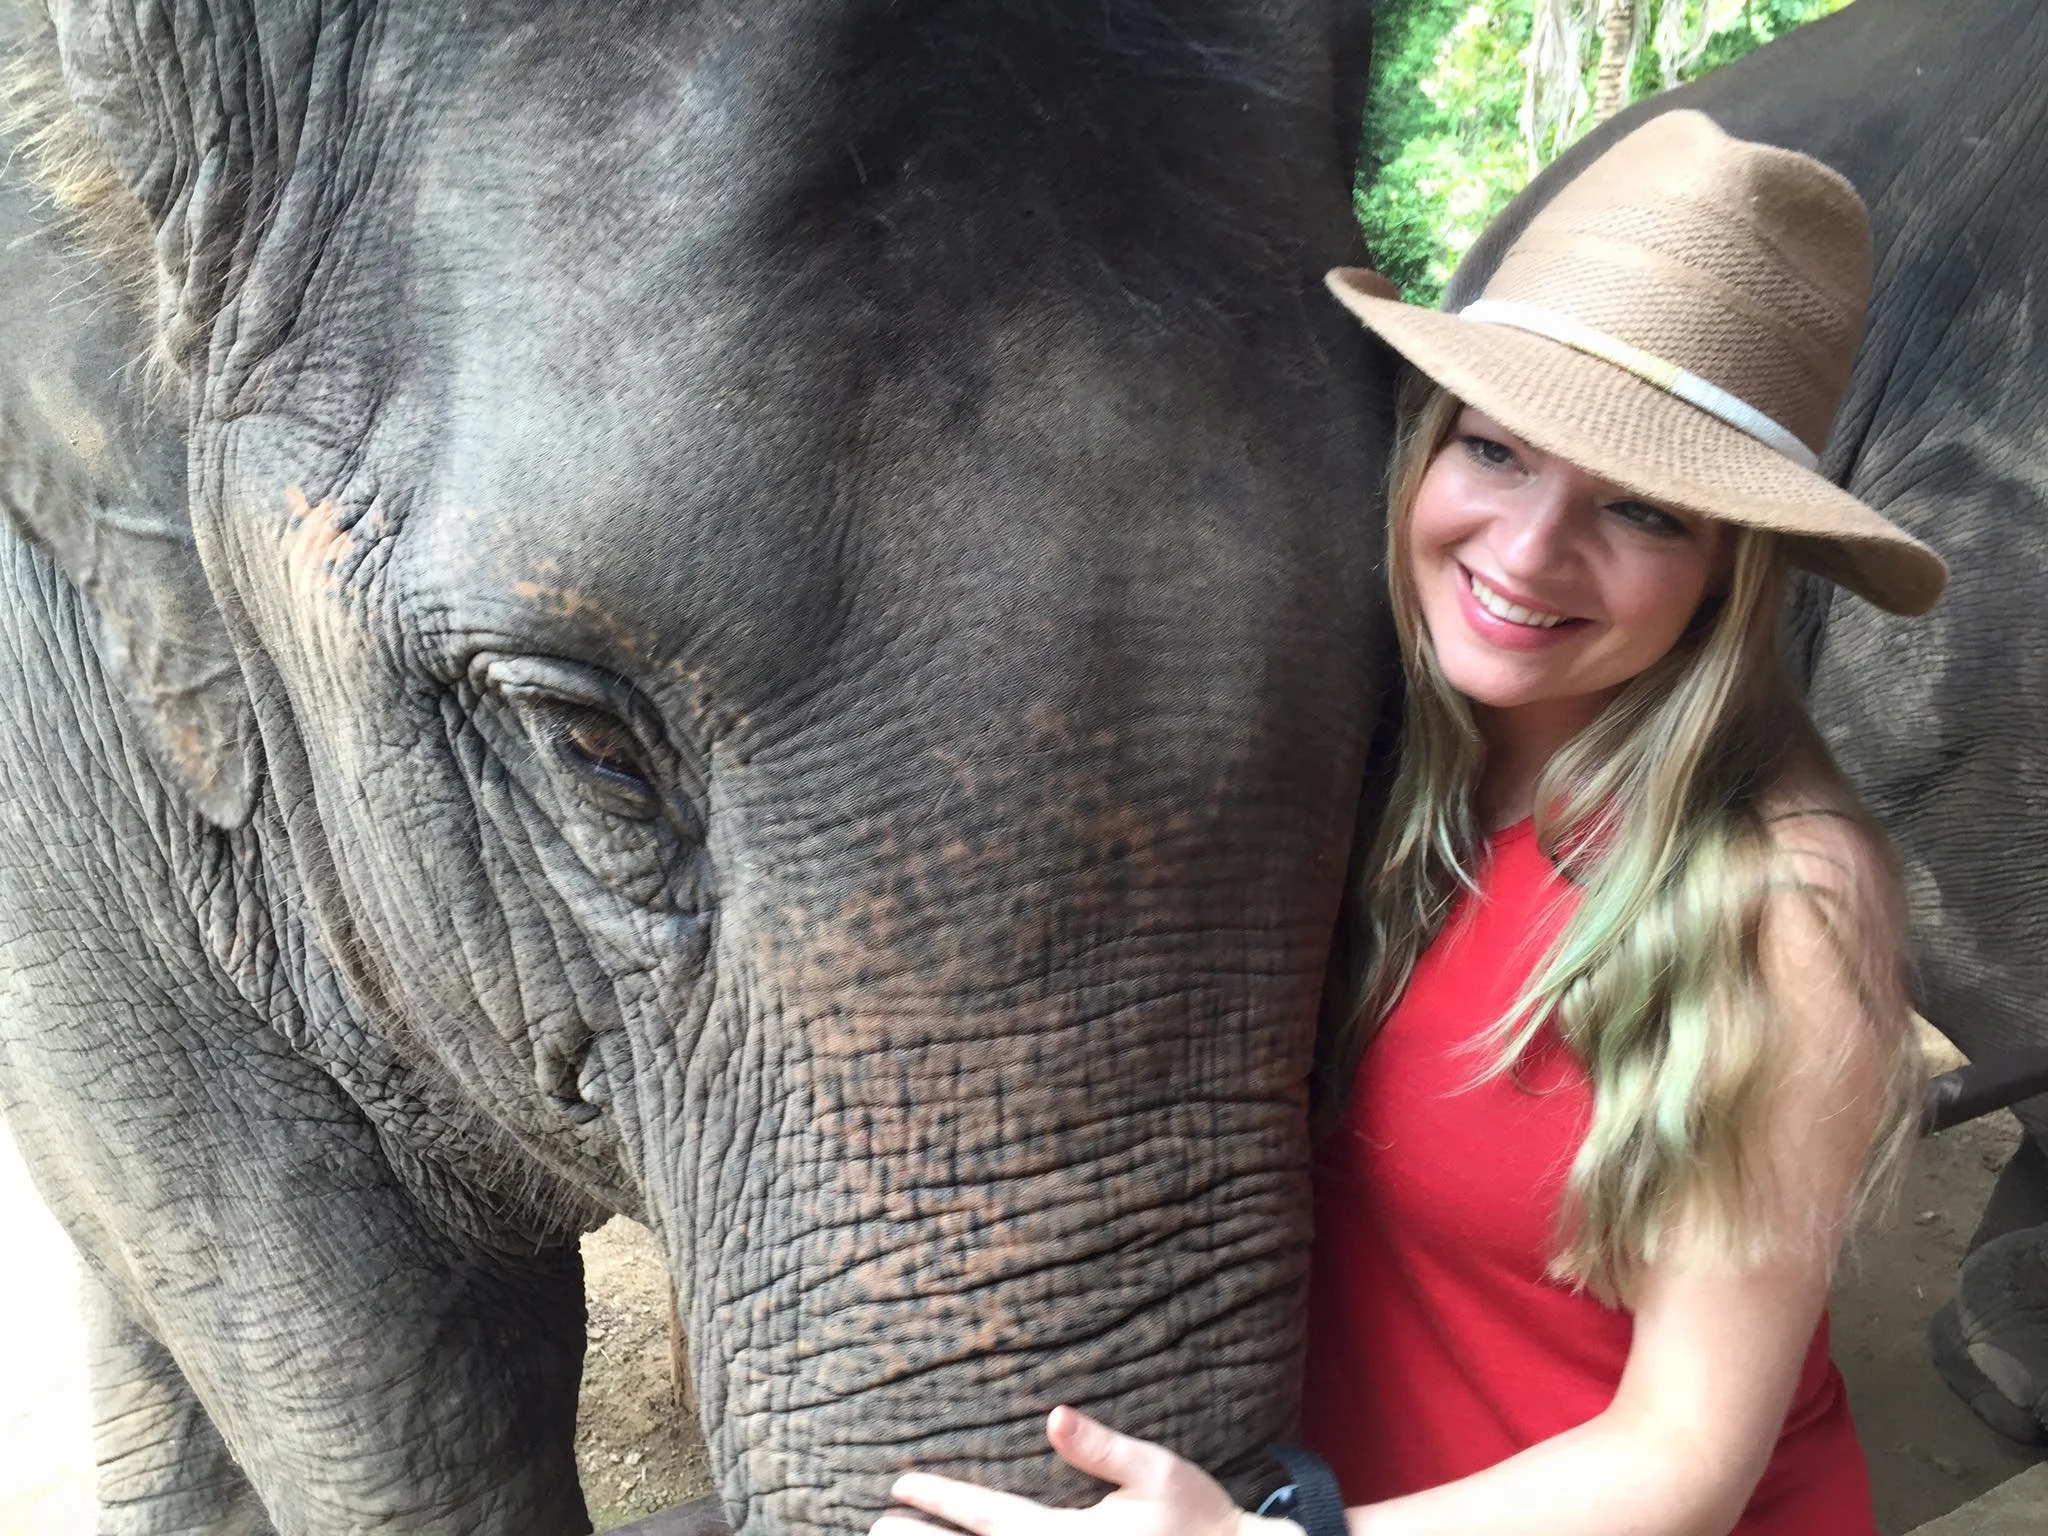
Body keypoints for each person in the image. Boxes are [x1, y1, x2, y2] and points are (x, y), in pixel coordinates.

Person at [868, 110, 1947, 1536]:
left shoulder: (1780, 897)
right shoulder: (1373, 748)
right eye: (1495, 453)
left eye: (1641, 509)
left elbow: (1686, 1457)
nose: (1526, 549)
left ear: (1730, 574)